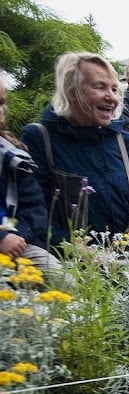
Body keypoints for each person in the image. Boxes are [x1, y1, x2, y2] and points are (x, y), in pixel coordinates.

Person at [21, 52, 129, 251]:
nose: (112, 97)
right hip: (77, 273)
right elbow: (33, 214)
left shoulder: (128, 144)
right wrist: (82, 252)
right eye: (100, 87)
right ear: (71, 90)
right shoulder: (41, 139)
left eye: (114, 89)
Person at [0, 74, 62, 274]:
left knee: (59, 279)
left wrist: (12, 233)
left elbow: (31, 205)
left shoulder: (11, 156)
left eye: (1, 103)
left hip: (12, 236)